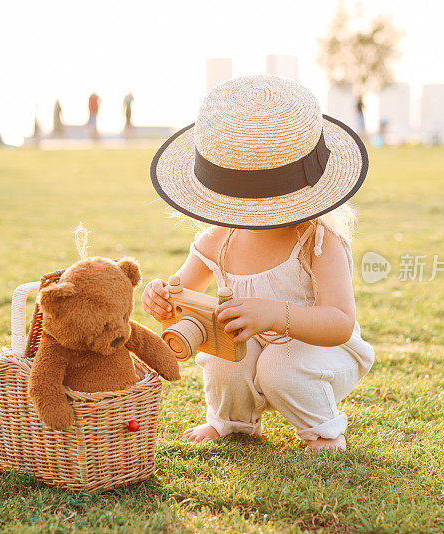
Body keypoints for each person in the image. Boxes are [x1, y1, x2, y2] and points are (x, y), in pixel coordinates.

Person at [142, 75, 374, 453]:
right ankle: (231, 420)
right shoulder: (218, 239)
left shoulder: (317, 242)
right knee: (224, 354)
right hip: (256, 345)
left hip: (321, 352)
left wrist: (273, 314)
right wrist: (161, 299)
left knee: (279, 366)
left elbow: (340, 324)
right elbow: (183, 294)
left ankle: (324, 430)